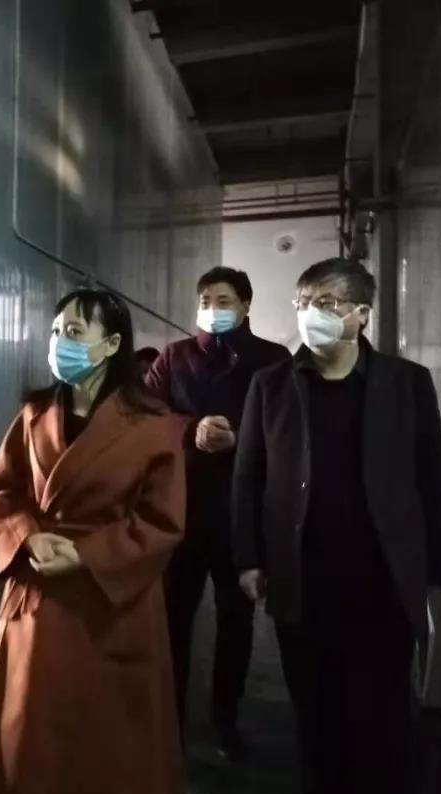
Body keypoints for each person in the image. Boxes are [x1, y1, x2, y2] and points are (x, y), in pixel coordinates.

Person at [232, 258, 441, 794]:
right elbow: (247, 478)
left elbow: (434, 478)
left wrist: (439, 573)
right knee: (315, 718)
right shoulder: (271, 385)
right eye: (304, 302)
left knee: (383, 719)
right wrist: (248, 559)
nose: (311, 313)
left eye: (327, 303)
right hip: (302, 580)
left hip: (383, 582)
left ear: (361, 315)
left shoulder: (406, 383)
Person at [0, 289, 188, 794]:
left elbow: (162, 521)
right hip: (38, 592)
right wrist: (27, 535)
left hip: (111, 600)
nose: (61, 341)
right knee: (31, 725)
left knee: (109, 740)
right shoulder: (34, 413)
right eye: (57, 331)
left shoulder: (153, 425)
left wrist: (86, 554)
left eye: (76, 332)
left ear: (111, 345)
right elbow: (1, 490)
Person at [145, 266, 290, 760]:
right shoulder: (174, 357)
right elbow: (146, 417)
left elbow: (287, 427)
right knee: (174, 620)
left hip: (242, 516)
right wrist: (191, 429)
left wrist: (241, 436)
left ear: (246, 306)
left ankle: (226, 720)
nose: (213, 308)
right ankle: (171, 722)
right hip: (181, 512)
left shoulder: (273, 360)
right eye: (206, 300)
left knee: (236, 623)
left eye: (224, 300)